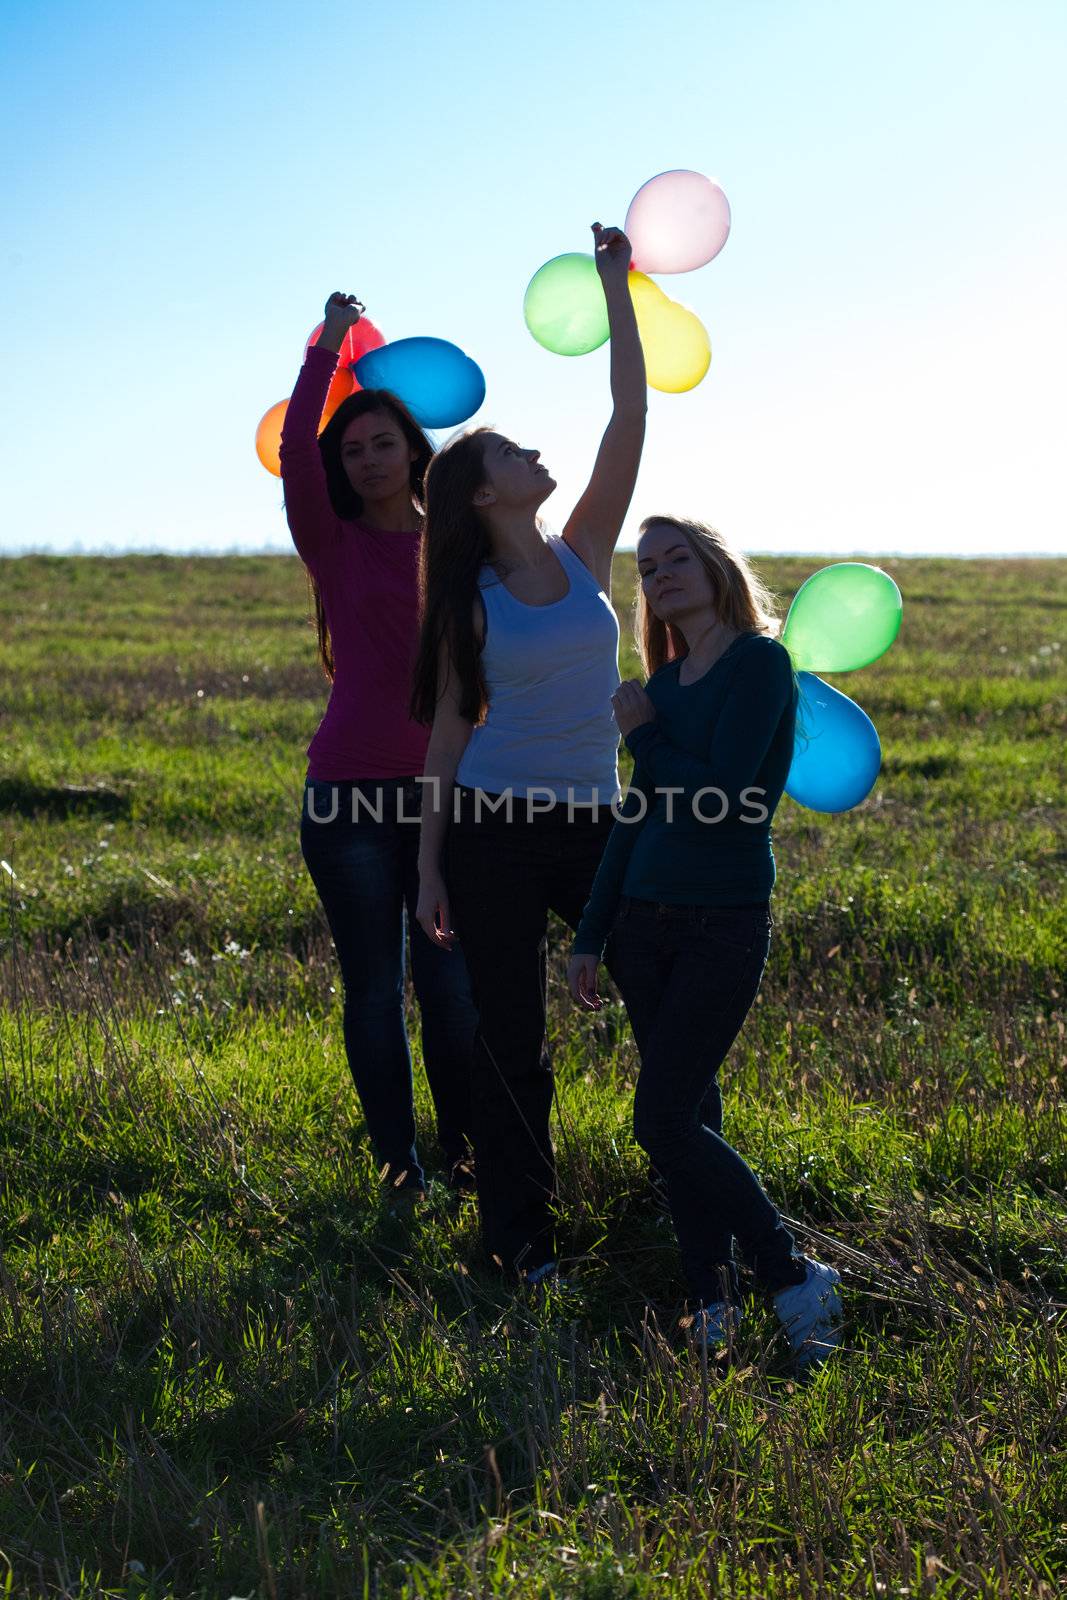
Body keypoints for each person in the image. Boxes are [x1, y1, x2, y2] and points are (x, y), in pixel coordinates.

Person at [410, 224, 645, 1283]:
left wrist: (615, 288)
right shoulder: (469, 599)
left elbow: (628, 415)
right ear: (480, 493)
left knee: (664, 992)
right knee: (513, 1041)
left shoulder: (583, 551)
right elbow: (448, 735)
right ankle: (520, 1243)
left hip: (597, 824)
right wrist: (426, 868)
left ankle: (688, 1195)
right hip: (493, 838)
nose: (531, 453)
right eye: (510, 452)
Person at [566, 516, 845, 1376]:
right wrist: (590, 933)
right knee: (690, 1114)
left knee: (661, 1118)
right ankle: (710, 1298)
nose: (658, 577)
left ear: (716, 566)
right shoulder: (664, 682)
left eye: (674, 558)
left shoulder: (759, 664)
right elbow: (635, 819)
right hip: (641, 930)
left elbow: (727, 793)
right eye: (645, 569)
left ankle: (791, 1273)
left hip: (720, 919)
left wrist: (644, 734)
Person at [280, 293, 479, 1202]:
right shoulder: (332, 543)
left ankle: (469, 1154)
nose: (364, 460)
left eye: (380, 445)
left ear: (412, 454)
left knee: (450, 990)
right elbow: (295, 452)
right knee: (372, 989)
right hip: (349, 799)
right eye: (351, 449)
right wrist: (325, 347)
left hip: (448, 795)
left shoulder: (459, 551)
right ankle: (399, 1165)